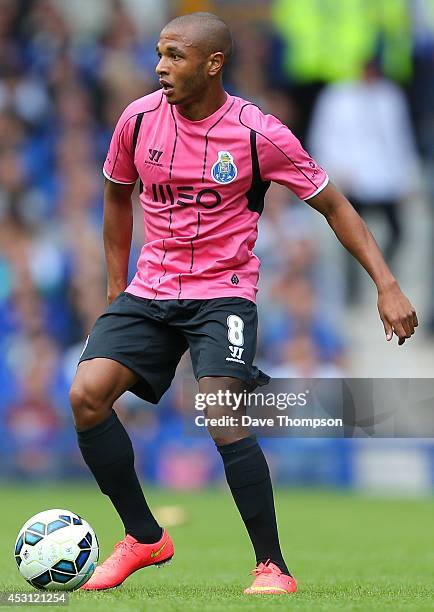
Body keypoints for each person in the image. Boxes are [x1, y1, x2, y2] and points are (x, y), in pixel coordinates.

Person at [69, 12, 418, 596]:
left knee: (221, 412)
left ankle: (272, 567)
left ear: (213, 64)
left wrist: (386, 283)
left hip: (222, 293)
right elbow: (115, 195)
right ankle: (143, 537)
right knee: (86, 396)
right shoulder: (136, 120)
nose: (160, 66)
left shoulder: (260, 134)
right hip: (151, 289)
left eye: (175, 55)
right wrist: (113, 288)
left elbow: (333, 204)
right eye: (159, 53)